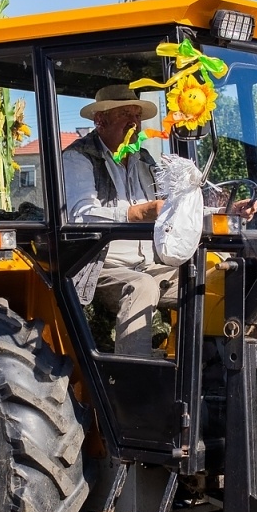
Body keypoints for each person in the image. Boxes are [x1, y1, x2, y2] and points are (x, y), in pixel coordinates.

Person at [61, 85, 176, 357]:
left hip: (149, 262)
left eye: (137, 116)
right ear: (100, 120)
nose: (134, 123)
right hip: (98, 265)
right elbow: (81, 215)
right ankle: (132, 385)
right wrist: (135, 213)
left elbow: (171, 203)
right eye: (126, 114)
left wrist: (218, 207)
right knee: (141, 286)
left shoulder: (144, 160)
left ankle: (202, 369)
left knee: (207, 278)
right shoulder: (77, 157)